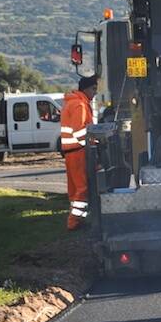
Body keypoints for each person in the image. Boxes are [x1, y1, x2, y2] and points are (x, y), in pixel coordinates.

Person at [61, 75, 97, 231]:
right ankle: (74, 223)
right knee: (82, 190)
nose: (95, 93)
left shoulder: (72, 103)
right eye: (94, 89)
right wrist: (93, 147)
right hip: (79, 152)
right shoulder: (80, 105)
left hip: (71, 153)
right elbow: (80, 131)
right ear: (87, 89)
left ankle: (77, 221)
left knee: (75, 190)